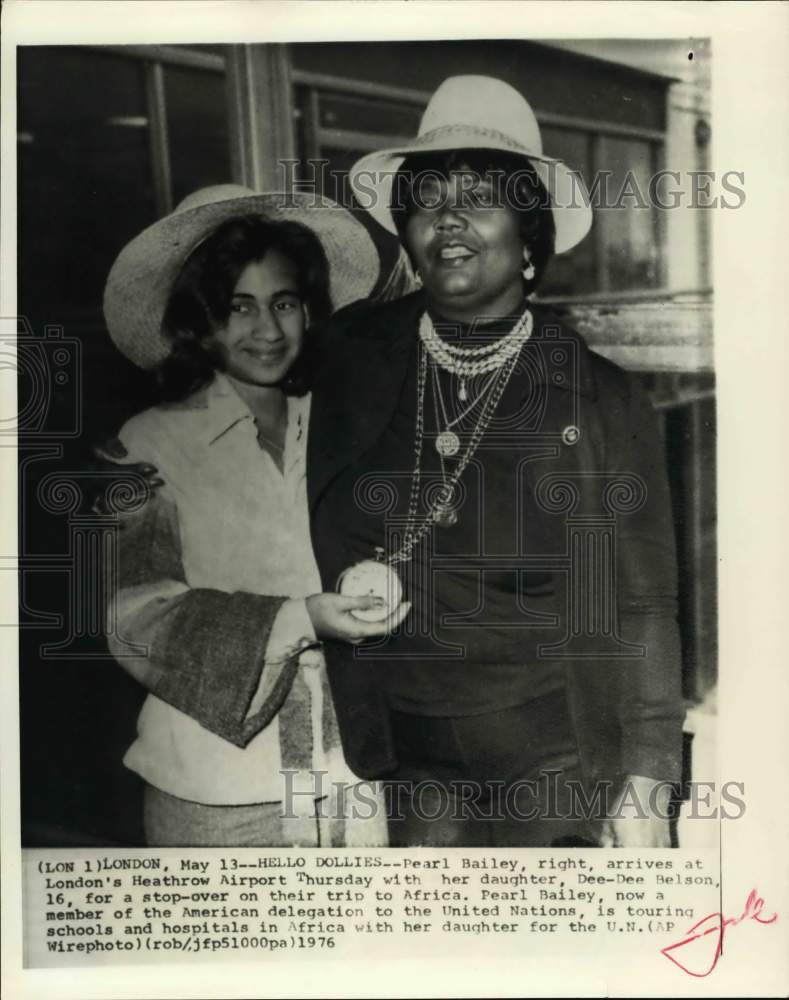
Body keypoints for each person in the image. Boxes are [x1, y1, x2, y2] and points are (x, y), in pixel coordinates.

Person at [306, 76, 684, 847]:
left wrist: (646, 780)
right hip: (403, 754)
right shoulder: (352, 357)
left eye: (479, 196)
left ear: (529, 237)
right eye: (427, 196)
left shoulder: (599, 398)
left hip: (553, 755)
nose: (447, 216)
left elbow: (642, 604)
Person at [101, 184, 408, 847]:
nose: (267, 331)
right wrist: (301, 619)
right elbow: (136, 615)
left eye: (284, 303)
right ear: (198, 321)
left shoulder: (342, 427)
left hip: (351, 778)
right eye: (238, 307)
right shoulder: (146, 445)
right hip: (217, 792)